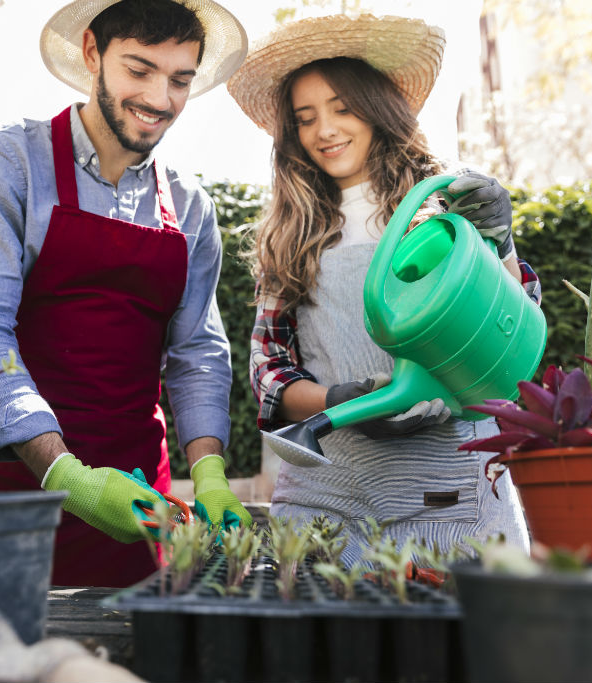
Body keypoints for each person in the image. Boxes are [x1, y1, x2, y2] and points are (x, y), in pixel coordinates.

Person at [0, 0, 252, 588]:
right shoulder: (3, 166)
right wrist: (68, 477)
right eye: (139, 70)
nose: (161, 99)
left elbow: (197, 354)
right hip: (11, 497)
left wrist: (209, 471)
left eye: (180, 79)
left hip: (137, 507)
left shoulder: (190, 208)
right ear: (92, 54)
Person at [226, 14, 540, 565]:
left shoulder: (444, 209)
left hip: (449, 491)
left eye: (342, 108)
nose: (325, 130)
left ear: (377, 108)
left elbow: (511, 332)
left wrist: (498, 240)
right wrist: (339, 401)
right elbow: (269, 371)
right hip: (332, 497)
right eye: (306, 118)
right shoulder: (288, 234)